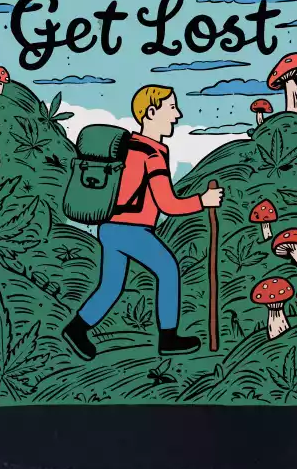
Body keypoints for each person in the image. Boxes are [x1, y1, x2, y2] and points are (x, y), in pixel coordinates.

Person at [62, 85, 224, 357]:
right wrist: (203, 200)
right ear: (150, 113)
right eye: (171, 108)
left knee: (111, 286)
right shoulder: (152, 154)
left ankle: (76, 329)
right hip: (131, 230)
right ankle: (168, 338)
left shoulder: (128, 149)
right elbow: (168, 204)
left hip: (109, 227)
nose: (177, 115)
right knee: (168, 270)